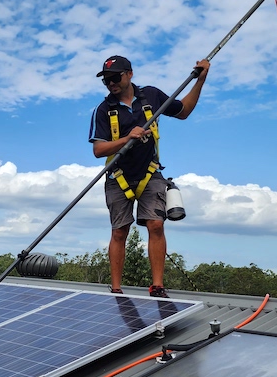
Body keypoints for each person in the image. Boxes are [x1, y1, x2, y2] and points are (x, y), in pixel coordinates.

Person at [89, 55, 210, 298]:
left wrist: (201, 79)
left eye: (115, 77)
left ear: (129, 74)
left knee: (156, 224)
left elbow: (183, 111)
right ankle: (116, 289)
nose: (110, 83)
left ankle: (157, 286)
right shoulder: (103, 110)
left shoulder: (151, 96)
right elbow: (98, 150)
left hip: (150, 173)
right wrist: (126, 138)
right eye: (106, 80)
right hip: (118, 176)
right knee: (119, 231)